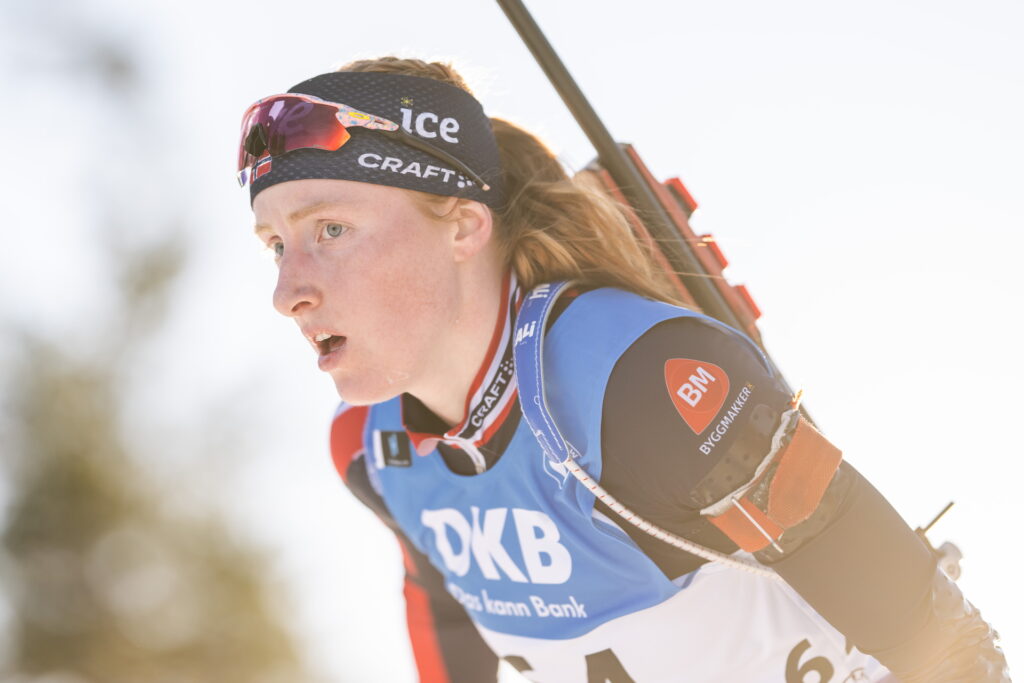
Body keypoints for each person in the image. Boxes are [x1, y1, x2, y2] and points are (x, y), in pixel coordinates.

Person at [237, 57, 1009, 682]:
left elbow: (943, 641)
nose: (286, 291)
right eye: (276, 245)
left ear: (465, 225)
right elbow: (440, 600)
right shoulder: (374, 454)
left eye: (330, 229)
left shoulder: (637, 379)